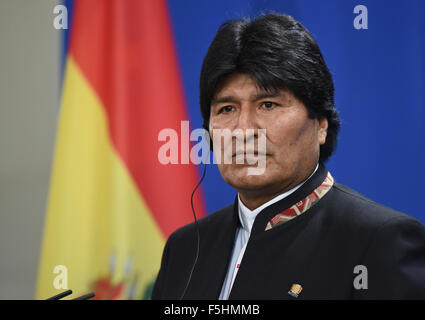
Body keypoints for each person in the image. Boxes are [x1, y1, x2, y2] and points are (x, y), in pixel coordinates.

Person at [151, 13, 425, 299]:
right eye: (227, 109)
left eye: (268, 104)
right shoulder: (185, 249)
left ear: (321, 123)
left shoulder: (379, 243)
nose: (242, 131)